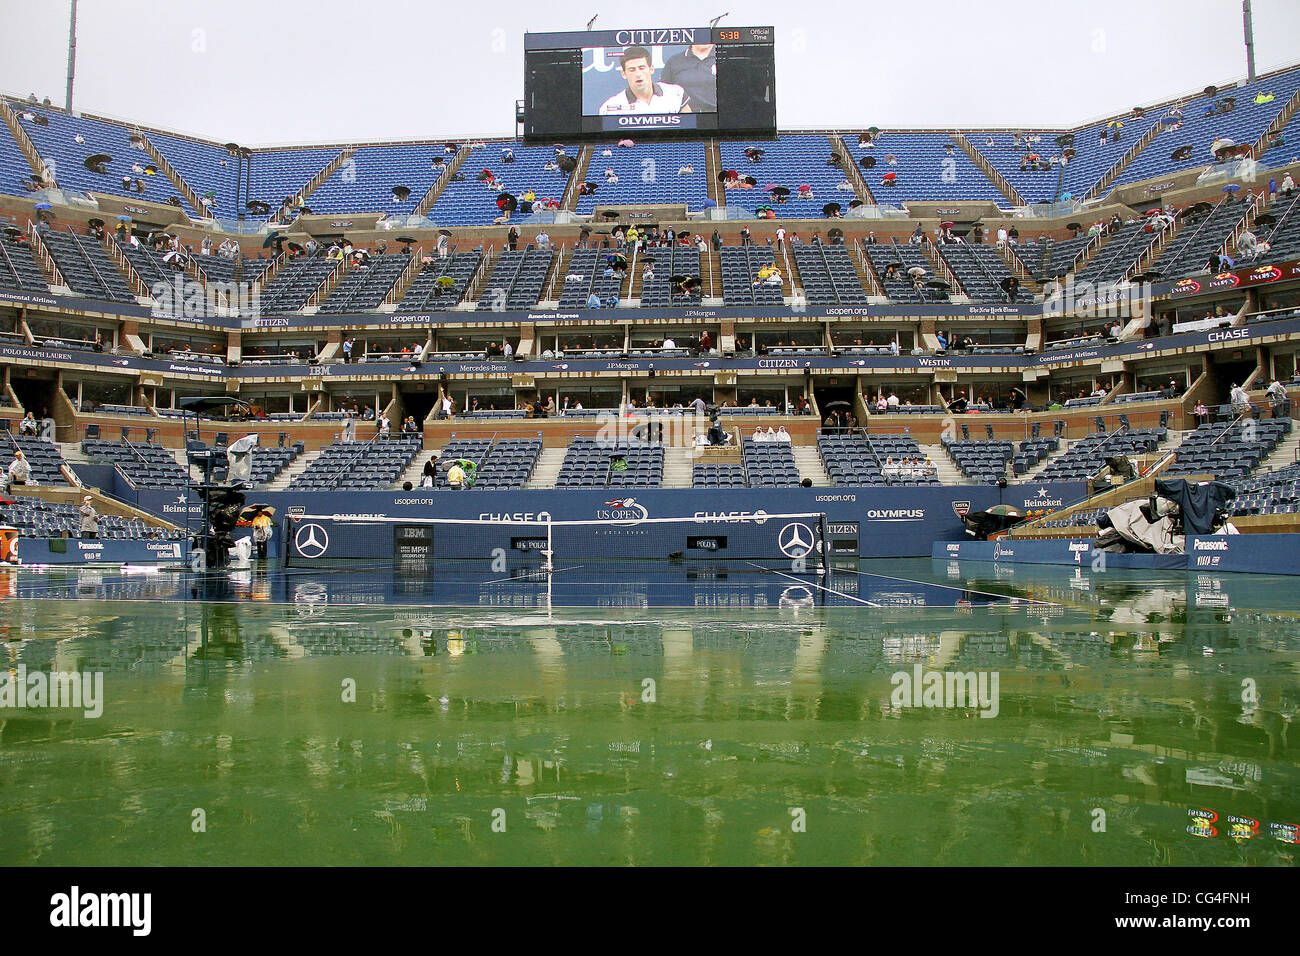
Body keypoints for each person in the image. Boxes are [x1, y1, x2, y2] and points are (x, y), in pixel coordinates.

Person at [598, 46, 692, 115]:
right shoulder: (610, 107)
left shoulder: (676, 93)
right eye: (632, 70)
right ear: (624, 74)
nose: (638, 74)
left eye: (642, 68)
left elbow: (689, 128)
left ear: (651, 69)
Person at [660, 43, 717, 113]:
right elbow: (664, 91)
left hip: (716, 116)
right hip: (683, 116)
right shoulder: (674, 61)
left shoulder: (724, 58)